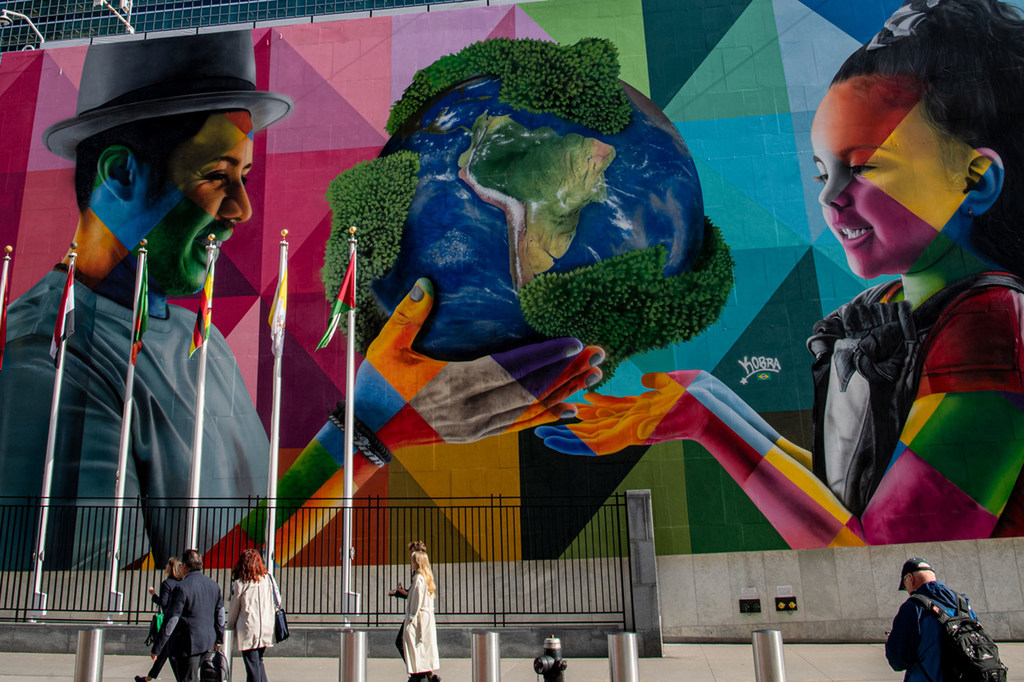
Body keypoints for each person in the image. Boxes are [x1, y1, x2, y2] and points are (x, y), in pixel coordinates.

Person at [536, 0, 1024, 548]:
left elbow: (888, 556)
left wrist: (709, 421)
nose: (831, 197)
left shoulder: (991, 322)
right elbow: (840, 499)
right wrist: (708, 397)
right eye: (824, 172)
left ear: (976, 179)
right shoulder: (886, 308)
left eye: (863, 167)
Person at [0, 31, 291, 566]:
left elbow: (252, 549)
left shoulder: (206, 345)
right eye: (217, 177)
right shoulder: (49, 354)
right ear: (119, 174)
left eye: (244, 177)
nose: (241, 210)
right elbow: (97, 593)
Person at [885, 558, 966, 681]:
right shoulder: (962, 603)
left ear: (910, 579)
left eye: (905, 586)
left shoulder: (913, 607)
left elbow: (898, 661)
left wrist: (893, 640)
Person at [151, 549, 225, 682]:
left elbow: (172, 620)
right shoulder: (213, 585)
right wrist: (219, 637)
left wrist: (158, 646)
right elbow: (220, 614)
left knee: (187, 678)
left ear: (184, 566)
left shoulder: (182, 587)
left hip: (189, 644)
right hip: (208, 641)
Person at [226, 549, 281, 682]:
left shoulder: (240, 583)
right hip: (266, 626)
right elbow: (278, 600)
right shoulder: (268, 579)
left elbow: (234, 608)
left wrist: (229, 626)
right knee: (257, 661)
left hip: (249, 627)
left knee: (252, 664)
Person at [136, 556, 185, 682]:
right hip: (180, 621)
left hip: (169, 621)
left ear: (171, 568)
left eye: (168, 565)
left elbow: (163, 603)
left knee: (170, 654)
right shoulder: (182, 583)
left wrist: (153, 595)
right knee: (164, 653)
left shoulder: (167, 583)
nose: (165, 567)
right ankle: (148, 678)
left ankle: (181, 679)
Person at [402, 548, 440, 682]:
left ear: (417, 562)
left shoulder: (418, 579)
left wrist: (411, 618)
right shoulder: (427, 577)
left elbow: (416, 601)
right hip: (427, 618)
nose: (410, 563)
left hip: (419, 619)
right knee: (424, 649)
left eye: (412, 560)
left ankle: (418, 674)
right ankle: (427, 674)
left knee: (416, 648)